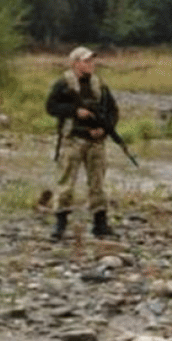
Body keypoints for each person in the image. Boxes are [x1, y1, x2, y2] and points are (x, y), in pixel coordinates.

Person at [45, 46, 119, 240]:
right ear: (75, 63)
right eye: (86, 61)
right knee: (66, 183)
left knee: (98, 183)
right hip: (73, 139)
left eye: (92, 61)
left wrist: (104, 129)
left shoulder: (99, 85)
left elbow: (112, 111)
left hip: (96, 141)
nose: (91, 65)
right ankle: (60, 224)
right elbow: (51, 107)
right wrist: (74, 111)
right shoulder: (63, 83)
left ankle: (100, 224)